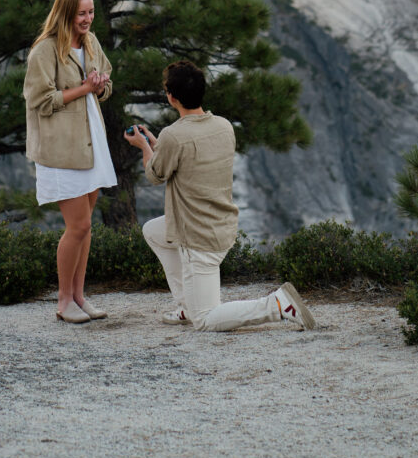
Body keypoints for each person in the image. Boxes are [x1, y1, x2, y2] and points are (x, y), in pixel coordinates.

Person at [124, 59, 316, 333]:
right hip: (221, 225)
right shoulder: (224, 126)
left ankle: (276, 305)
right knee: (154, 231)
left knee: (205, 320)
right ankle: (186, 305)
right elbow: (188, 156)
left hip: (197, 238)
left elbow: (155, 175)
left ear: (171, 97)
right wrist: (158, 144)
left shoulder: (174, 136)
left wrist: (144, 145)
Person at [24, 0, 116, 324]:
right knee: (77, 226)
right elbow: (41, 101)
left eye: (91, 12)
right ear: (66, 13)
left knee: (86, 227)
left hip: (90, 142)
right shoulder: (44, 52)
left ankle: (79, 296)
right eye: (82, 13)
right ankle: (64, 302)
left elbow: (105, 82)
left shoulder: (91, 43)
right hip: (62, 149)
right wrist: (85, 88)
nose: (88, 19)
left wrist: (101, 84)